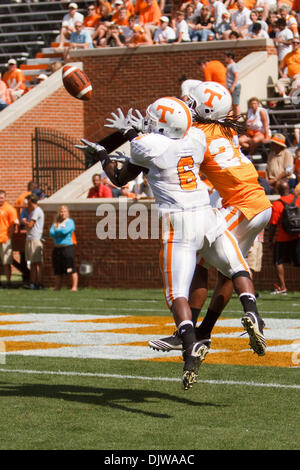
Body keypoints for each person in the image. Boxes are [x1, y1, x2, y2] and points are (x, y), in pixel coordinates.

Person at [79, 98, 267, 389]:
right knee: (235, 267)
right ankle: (251, 310)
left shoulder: (149, 147)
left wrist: (105, 153)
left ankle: (189, 342)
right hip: (207, 216)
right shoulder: (195, 138)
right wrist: (138, 133)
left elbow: (120, 175)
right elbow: (161, 138)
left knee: (176, 292)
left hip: (179, 224)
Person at [146, 82, 271, 358]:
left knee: (201, 251)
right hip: (258, 203)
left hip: (241, 202)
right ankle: (204, 331)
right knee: (226, 267)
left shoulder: (196, 132)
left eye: (192, 102)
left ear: (204, 108)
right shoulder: (225, 126)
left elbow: (169, 146)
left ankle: (193, 330)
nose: (187, 105)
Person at [268, 179, 300, 294]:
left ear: (278, 190)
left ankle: (283, 287)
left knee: (278, 261)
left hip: (283, 237)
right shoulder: (299, 199)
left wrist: (270, 240)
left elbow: (273, 225)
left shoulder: (277, 204)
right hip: (298, 236)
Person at [49, 205, 78, 291]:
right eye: (61, 211)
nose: (63, 213)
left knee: (70, 268)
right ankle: (57, 287)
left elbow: (65, 231)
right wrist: (58, 231)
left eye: (64, 211)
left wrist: (57, 231)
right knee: (58, 269)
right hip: (57, 248)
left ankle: (74, 287)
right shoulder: (56, 222)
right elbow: (51, 233)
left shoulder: (70, 222)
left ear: (67, 213)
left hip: (67, 248)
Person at [20, 194, 44, 290]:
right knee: (33, 263)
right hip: (31, 238)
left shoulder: (37, 211)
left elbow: (30, 225)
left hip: (35, 238)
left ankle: (38, 282)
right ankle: (33, 282)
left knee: (37, 263)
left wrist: (24, 222)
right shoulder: (33, 211)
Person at [0, 189, 19, 288]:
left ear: (5, 198)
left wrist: (9, 237)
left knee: (6, 262)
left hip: (5, 239)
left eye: (2, 197)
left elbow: (14, 224)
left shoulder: (9, 209)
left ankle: (8, 282)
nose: (0, 199)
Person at [225, 51, 241, 118]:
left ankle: (237, 119)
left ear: (230, 57)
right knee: (231, 104)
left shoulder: (233, 65)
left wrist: (233, 86)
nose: (225, 58)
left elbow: (236, 75)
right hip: (229, 86)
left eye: (226, 57)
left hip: (234, 86)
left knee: (235, 104)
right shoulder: (229, 66)